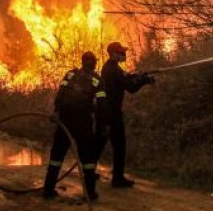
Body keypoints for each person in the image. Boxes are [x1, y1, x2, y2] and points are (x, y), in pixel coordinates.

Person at [42, 51, 109, 201]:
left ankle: (48, 189)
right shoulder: (97, 80)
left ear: (82, 61)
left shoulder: (70, 75)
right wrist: (104, 125)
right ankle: (90, 193)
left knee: (57, 156)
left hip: (64, 121)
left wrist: (57, 111)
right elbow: (102, 106)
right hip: (83, 122)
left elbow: (60, 95)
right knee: (88, 159)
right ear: (95, 63)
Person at [96, 41, 155, 188]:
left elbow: (126, 77)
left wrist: (141, 75)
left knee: (99, 144)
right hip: (112, 114)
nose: (124, 54)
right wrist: (145, 81)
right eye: (121, 52)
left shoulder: (111, 68)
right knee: (119, 145)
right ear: (114, 53)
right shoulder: (113, 70)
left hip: (104, 113)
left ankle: (89, 172)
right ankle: (117, 179)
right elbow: (131, 87)